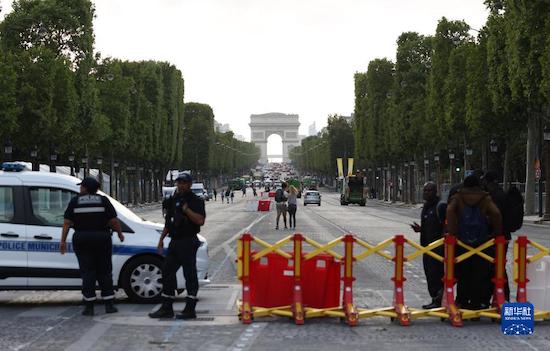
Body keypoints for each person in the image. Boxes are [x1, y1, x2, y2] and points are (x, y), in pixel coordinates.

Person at [61, 177, 125, 316]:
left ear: (85, 188)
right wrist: (120, 234)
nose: (80, 188)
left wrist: (63, 241)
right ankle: (109, 304)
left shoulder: (75, 201)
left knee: (87, 271)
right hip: (102, 238)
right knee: (104, 270)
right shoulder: (103, 200)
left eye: (81, 186)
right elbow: (113, 220)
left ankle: (89, 306)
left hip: (82, 238)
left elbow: (67, 222)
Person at [149, 173, 206, 319]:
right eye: (179, 182)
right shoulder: (174, 200)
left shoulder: (196, 200)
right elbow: (169, 222)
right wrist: (161, 240)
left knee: (190, 275)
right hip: (175, 241)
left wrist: (187, 211)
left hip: (188, 241)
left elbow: (200, 220)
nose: (181, 185)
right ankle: (166, 307)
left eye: (184, 183)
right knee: (167, 272)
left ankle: (190, 308)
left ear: (190, 184)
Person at [446, 175, 502, 311]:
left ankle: (462, 301)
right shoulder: (485, 198)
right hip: (482, 242)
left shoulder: (458, 197)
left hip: (462, 242)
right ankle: (476, 303)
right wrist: (496, 232)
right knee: (480, 273)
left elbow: (449, 211)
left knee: (463, 272)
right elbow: (496, 214)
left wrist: (453, 232)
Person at [411, 182, 445, 309]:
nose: (426, 193)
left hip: (437, 248)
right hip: (426, 247)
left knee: (436, 275)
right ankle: (435, 298)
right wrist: (421, 229)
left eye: (429, 190)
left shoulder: (440, 206)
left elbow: (444, 226)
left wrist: (441, 244)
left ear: (435, 191)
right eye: (425, 190)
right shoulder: (426, 206)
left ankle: (438, 299)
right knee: (430, 275)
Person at [482, 170, 510, 301]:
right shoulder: (501, 194)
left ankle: (500, 296)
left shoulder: (493, 196)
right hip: (502, 236)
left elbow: (495, 216)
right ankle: (502, 296)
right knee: (499, 266)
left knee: (495, 267)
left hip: (496, 237)